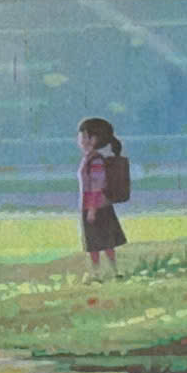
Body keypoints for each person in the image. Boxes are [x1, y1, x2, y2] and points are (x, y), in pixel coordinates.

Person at [77, 117, 127, 278]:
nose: (79, 138)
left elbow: (97, 186)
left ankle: (110, 273)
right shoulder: (89, 158)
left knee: (102, 243)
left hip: (97, 207)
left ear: (93, 139)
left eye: (83, 135)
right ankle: (102, 273)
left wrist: (92, 209)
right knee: (98, 244)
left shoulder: (95, 160)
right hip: (93, 206)